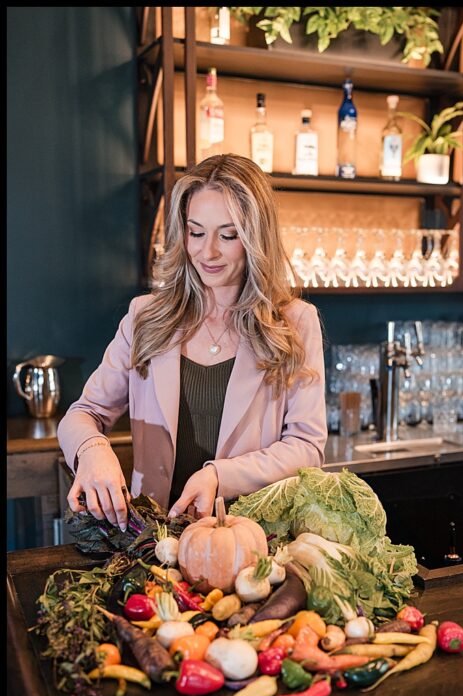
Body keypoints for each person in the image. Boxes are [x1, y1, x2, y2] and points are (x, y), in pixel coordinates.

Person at [59, 153, 327, 529]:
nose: (208, 251)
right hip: (152, 541)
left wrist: (220, 475)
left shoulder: (294, 322)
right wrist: (91, 449)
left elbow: (307, 448)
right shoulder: (145, 316)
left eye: (228, 234)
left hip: (252, 541)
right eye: (196, 232)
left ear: (256, 237)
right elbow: (82, 415)